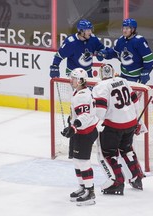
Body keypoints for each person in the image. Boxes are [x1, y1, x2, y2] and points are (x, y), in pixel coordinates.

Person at [50, 19, 104, 159]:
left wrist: (103, 52)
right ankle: (74, 141)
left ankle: (88, 132)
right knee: (76, 108)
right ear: (80, 31)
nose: (90, 33)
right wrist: (54, 67)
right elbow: (59, 56)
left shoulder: (92, 39)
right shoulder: (71, 42)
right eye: (87, 31)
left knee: (89, 105)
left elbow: (100, 48)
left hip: (88, 76)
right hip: (74, 78)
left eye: (90, 30)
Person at [92, 64, 144, 195]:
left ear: (100, 74)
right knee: (126, 149)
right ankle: (137, 176)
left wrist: (95, 123)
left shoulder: (100, 87)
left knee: (108, 154)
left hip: (113, 126)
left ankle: (117, 181)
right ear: (113, 72)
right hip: (130, 123)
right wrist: (138, 121)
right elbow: (136, 102)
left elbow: (100, 112)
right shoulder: (123, 81)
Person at [61, 68, 98, 206]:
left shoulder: (81, 96)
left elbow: (85, 116)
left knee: (83, 162)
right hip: (81, 131)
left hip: (85, 133)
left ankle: (90, 192)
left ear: (81, 80)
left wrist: (74, 126)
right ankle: (83, 187)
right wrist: (71, 124)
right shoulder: (80, 92)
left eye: (73, 78)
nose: (71, 80)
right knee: (77, 161)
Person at [96, 18, 153, 84]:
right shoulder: (121, 40)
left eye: (127, 29)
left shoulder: (139, 41)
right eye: (123, 28)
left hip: (135, 77)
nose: (124, 30)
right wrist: (105, 53)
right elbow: (115, 52)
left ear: (133, 30)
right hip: (123, 75)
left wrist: (146, 71)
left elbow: (149, 58)